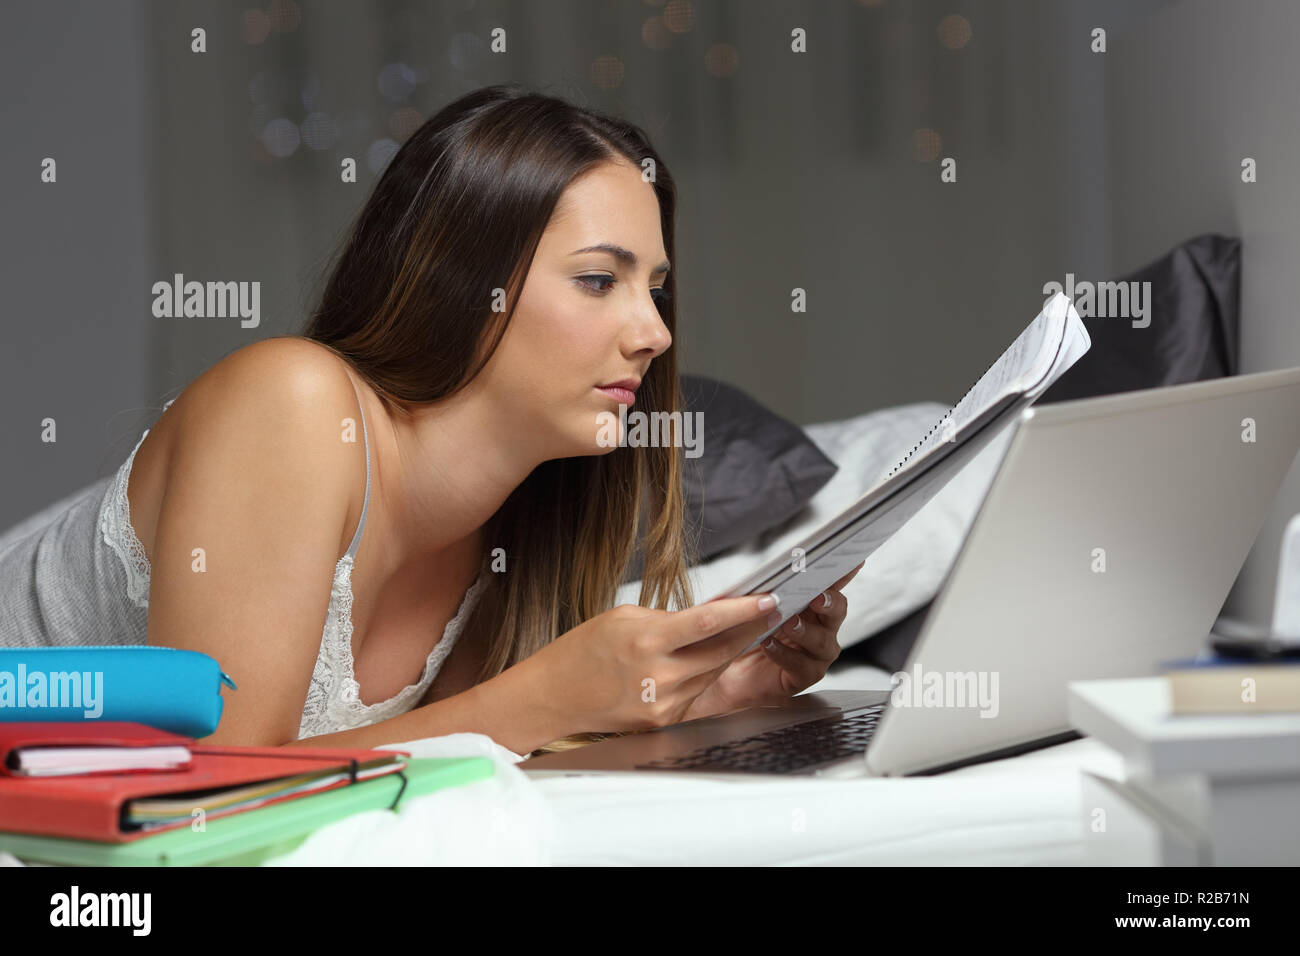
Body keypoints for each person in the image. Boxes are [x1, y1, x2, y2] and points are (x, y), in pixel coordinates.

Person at [0, 84, 862, 756]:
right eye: (600, 280)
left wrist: (702, 695)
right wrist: (540, 697)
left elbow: (421, 754)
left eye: (657, 289)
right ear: (465, 286)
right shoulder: (292, 405)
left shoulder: (514, 521)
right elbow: (205, 799)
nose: (655, 333)